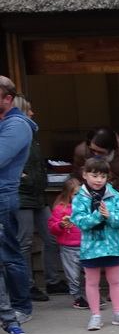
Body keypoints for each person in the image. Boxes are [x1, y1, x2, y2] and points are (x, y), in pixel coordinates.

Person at [72, 127, 119, 300]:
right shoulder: (81, 150)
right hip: (92, 196)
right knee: (92, 233)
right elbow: (77, 176)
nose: (95, 153)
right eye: (92, 149)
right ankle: (97, 283)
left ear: (111, 147)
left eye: (100, 151)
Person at [71, 157, 119, 331]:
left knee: (115, 280)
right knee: (91, 282)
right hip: (91, 248)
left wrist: (110, 216)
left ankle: (118, 312)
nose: (99, 180)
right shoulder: (79, 197)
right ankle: (95, 315)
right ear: (85, 175)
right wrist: (97, 216)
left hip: (112, 246)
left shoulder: (114, 195)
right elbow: (79, 221)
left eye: (103, 176)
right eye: (94, 175)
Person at [16, 97, 66, 302]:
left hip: (38, 195)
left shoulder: (31, 134)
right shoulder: (13, 133)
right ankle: (27, 286)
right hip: (21, 197)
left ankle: (52, 282)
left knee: (52, 237)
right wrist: (24, 179)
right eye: (29, 110)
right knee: (25, 242)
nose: (32, 113)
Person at [0, 76, 36, 324]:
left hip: (2, 197)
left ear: (8, 98)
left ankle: (22, 308)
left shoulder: (17, 126)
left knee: (9, 254)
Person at [48, 176, 87, 309]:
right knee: (73, 275)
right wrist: (60, 225)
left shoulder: (86, 206)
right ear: (68, 194)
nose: (79, 196)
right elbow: (52, 228)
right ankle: (77, 297)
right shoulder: (60, 209)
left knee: (91, 273)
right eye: (76, 194)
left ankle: (92, 295)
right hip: (68, 247)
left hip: (86, 246)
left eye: (81, 193)